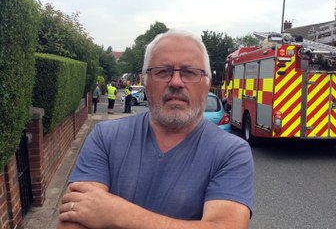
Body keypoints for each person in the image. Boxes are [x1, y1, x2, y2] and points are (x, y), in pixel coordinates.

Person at [57, 29, 254, 229]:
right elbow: (74, 221)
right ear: (145, 81)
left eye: (189, 72)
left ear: (207, 83)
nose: (176, 82)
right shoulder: (105, 137)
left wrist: (118, 212)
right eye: (163, 71)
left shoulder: (231, 152)